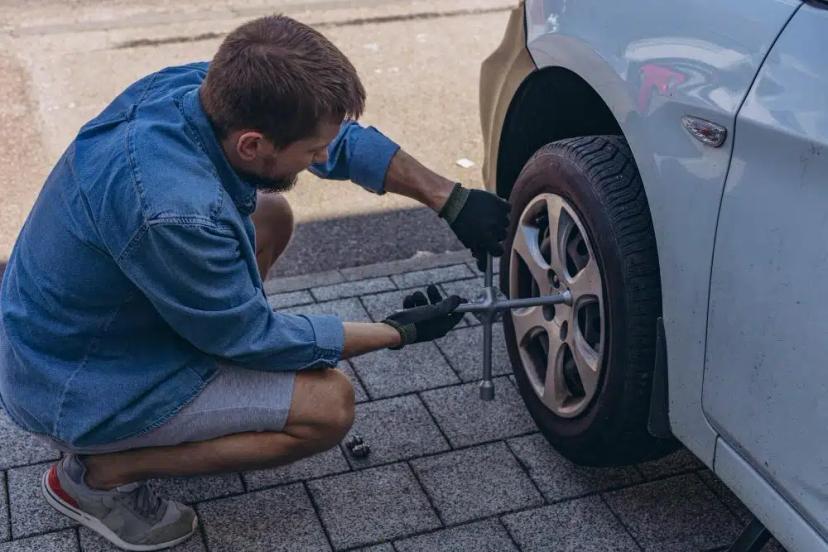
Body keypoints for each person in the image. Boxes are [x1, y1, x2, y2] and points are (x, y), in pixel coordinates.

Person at [0, 15, 509, 551]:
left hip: (74, 331)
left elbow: (336, 142)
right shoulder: (175, 212)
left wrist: (448, 200)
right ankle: (100, 475)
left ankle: (212, 387)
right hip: (76, 385)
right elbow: (252, 336)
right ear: (252, 146)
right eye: (311, 153)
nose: (321, 160)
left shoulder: (201, 91)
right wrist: (395, 331)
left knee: (271, 213)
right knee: (327, 407)